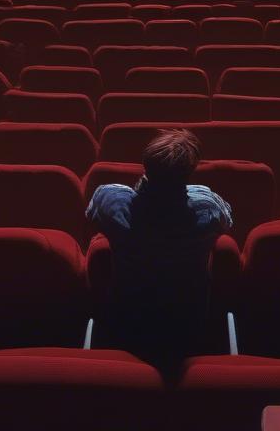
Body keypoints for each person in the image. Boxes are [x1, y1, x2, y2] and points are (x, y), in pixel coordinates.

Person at [85, 128, 233, 366]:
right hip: (189, 326)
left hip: (127, 323)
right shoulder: (206, 204)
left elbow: (92, 214)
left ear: (146, 165)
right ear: (191, 171)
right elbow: (227, 220)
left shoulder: (112, 199)